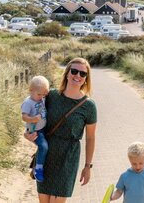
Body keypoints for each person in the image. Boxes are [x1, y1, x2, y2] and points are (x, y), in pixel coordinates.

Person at [25, 57, 97, 203]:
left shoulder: (89, 106)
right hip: (46, 155)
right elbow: (33, 114)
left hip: (68, 158)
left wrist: (87, 166)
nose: (77, 76)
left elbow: (90, 138)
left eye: (82, 74)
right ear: (67, 73)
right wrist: (29, 133)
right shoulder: (50, 96)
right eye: (74, 71)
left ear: (86, 79)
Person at [21, 75, 49, 182]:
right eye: (39, 94)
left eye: (43, 94)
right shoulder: (28, 102)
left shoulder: (40, 97)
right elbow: (24, 117)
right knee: (43, 146)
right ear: (31, 90)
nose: (41, 97)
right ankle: (38, 169)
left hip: (42, 128)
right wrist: (32, 119)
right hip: (35, 130)